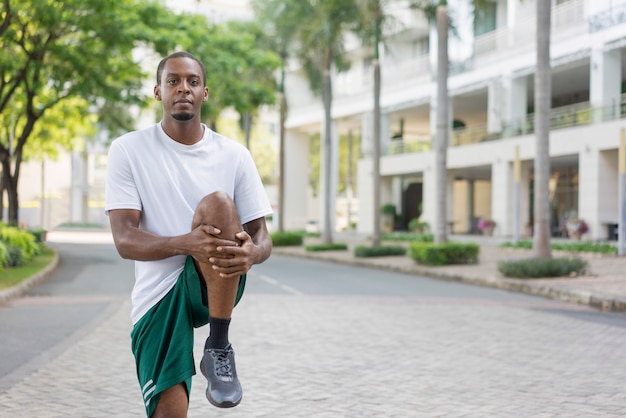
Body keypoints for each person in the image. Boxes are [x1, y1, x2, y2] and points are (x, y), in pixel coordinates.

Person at [105, 51, 273, 417]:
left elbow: (262, 234)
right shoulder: (128, 150)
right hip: (159, 293)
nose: (183, 88)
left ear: (205, 93)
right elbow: (124, 239)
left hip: (216, 281)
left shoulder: (234, 154)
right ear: (157, 92)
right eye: (173, 81)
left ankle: (218, 346)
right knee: (169, 413)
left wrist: (253, 254)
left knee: (220, 204)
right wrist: (186, 243)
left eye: (192, 82)